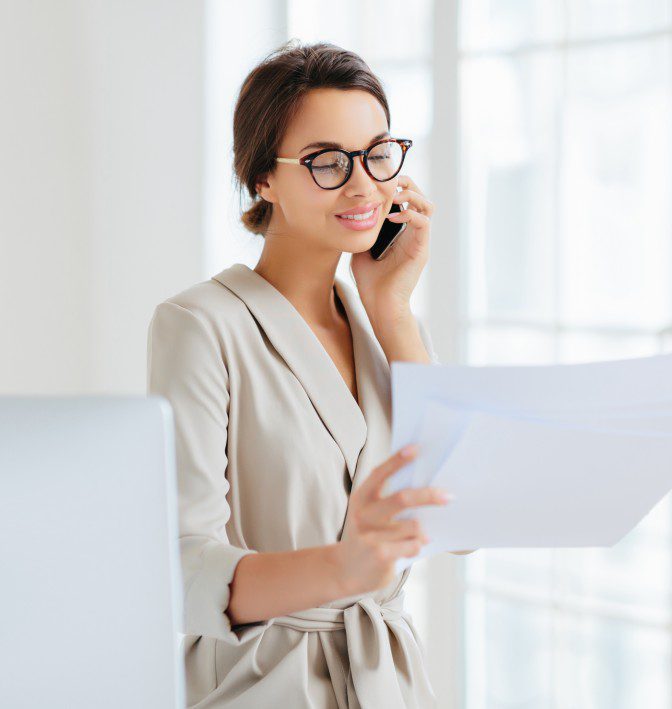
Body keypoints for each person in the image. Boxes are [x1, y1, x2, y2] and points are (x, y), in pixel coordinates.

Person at [146, 39, 470, 708]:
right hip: (259, 684)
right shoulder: (201, 325)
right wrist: (344, 567)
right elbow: (180, 568)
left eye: (378, 155)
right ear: (262, 177)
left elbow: (462, 521)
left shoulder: (385, 327)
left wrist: (391, 307)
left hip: (390, 682)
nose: (362, 185)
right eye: (326, 162)